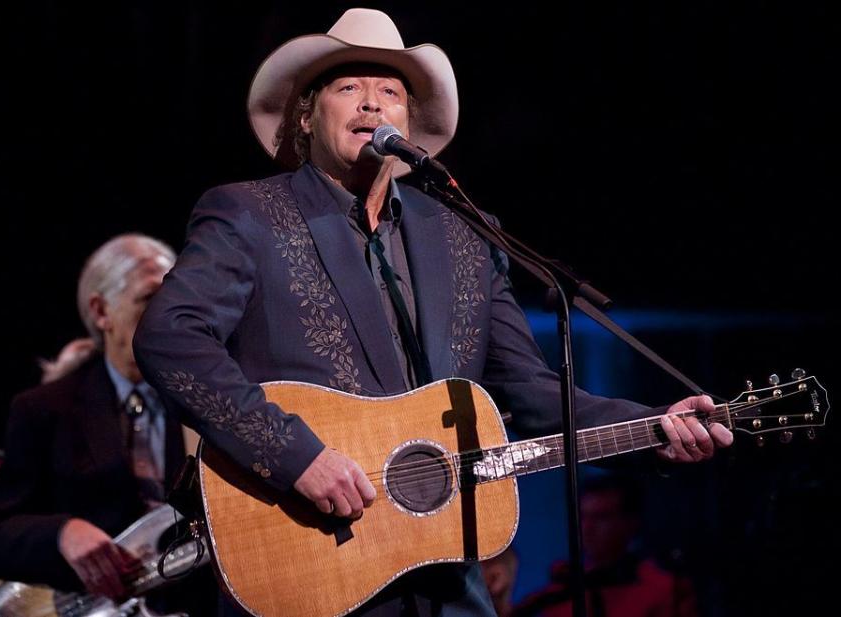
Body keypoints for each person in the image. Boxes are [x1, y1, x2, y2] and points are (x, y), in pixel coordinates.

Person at [133, 8, 733, 616]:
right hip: (309, 557)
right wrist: (298, 458)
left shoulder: (463, 236)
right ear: (307, 117)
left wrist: (651, 426)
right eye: (349, 88)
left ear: (409, 125)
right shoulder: (250, 214)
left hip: (442, 565)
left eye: (390, 92)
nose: (373, 105)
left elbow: (523, 390)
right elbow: (169, 338)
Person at [0, 233, 217, 614]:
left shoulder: (210, 402)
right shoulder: (44, 409)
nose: (169, 315)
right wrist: (62, 533)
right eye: (149, 299)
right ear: (101, 311)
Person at [513, 474, 699, 617]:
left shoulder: (665, 588)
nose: (587, 528)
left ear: (630, 522)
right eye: (583, 517)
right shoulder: (561, 587)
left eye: (601, 517)